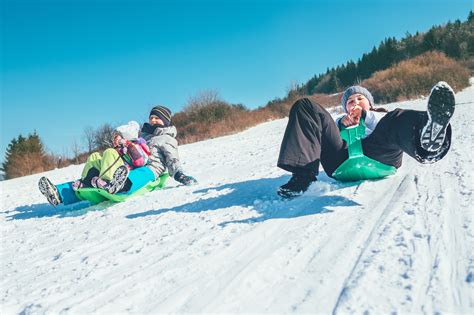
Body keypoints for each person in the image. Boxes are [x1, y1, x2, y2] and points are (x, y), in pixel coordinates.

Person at [277, 81, 456, 198]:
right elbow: (328, 141)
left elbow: (384, 123)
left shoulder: (380, 115)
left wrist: (365, 115)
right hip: (340, 162)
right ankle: (303, 177)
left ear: (369, 103)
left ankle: (428, 144)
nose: (355, 102)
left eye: (360, 99)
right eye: (350, 101)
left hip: (380, 155)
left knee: (397, 116)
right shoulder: (341, 121)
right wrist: (341, 126)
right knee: (305, 106)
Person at [38, 121, 152, 206]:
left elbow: (140, 162)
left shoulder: (137, 146)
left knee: (109, 152)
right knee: (95, 156)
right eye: (114, 138)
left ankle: (110, 183)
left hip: (122, 175)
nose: (115, 140)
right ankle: (86, 181)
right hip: (109, 173)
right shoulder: (118, 150)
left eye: (118, 137)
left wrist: (127, 144)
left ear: (127, 137)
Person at [140, 105, 197, 186]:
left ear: (164, 120)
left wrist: (179, 175)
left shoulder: (166, 138)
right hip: (136, 165)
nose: (153, 120)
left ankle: (124, 185)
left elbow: (172, 158)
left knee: (136, 176)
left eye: (157, 118)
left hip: (152, 168)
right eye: (151, 118)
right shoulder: (143, 136)